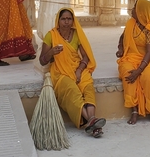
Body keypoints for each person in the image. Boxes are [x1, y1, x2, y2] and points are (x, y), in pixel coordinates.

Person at [39, 8, 105, 138]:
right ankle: (92, 120)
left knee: (88, 88)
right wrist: (51, 52)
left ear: (73, 20)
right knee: (72, 90)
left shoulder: (76, 34)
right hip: (60, 72)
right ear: (58, 20)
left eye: (69, 19)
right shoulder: (51, 35)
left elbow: (85, 57)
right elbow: (42, 60)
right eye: (63, 19)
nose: (66, 22)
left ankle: (92, 122)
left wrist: (79, 70)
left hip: (77, 68)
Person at [116, 0, 150, 124]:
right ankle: (134, 110)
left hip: (149, 60)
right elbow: (122, 38)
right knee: (127, 72)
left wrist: (138, 71)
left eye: (134, 8)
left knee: (148, 76)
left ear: (141, 12)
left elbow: (149, 53)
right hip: (131, 57)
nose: (132, 10)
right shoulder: (130, 23)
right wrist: (121, 49)